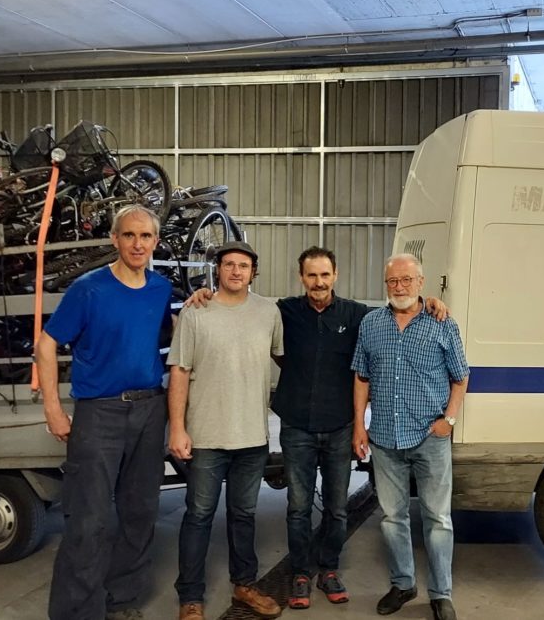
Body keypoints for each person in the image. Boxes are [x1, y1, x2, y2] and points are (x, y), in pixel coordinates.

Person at [186, 246, 447, 610]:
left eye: (325, 275)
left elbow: (399, 311)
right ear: (301, 278)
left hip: (340, 425)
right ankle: (301, 573)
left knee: (338, 508)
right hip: (296, 425)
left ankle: (328, 568)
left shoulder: (357, 315)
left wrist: (428, 300)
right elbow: (244, 311)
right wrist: (205, 295)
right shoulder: (284, 311)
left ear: (335, 276)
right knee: (298, 505)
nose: (318, 282)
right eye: (311, 275)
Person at [38, 205, 173, 620]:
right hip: (99, 414)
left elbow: (172, 336)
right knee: (88, 520)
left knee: (139, 512)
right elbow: (46, 345)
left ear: (155, 241)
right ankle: (78, 612)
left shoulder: (161, 288)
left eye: (146, 237)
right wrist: (53, 410)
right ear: (114, 239)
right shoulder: (88, 289)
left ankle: (121, 600)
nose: (138, 244)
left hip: (150, 409)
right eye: (129, 236)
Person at [168, 240, 284, 620]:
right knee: (198, 515)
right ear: (217, 269)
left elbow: (288, 359)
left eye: (244, 265)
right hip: (205, 437)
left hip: (252, 438)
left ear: (254, 271)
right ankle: (190, 597)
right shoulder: (196, 312)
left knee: (243, 515)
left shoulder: (269, 312)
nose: (236, 271)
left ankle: (244, 585)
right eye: (229, 264)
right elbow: (179, 372)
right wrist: (178, 429)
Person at [352, 253, 469, 620]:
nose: (399, 287)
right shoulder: (371, 324)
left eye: (406, 280)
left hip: (430, 436)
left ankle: (441, 593)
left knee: (437, 518)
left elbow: (460, 376)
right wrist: (359, 425)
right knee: (392, 517)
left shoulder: (442, 323)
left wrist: (449, 419)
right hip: (385, 437)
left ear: (421, 282)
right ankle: (403, 584)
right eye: (392, 282)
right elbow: (361, 377)